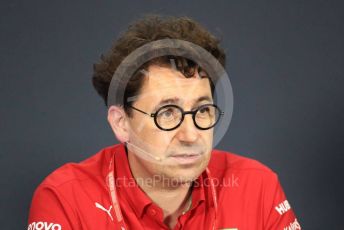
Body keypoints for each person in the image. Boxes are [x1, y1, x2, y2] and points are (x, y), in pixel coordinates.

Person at [28, 15, 301, 230]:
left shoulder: (257, 185)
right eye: (168, 113)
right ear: (122, 123)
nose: (191, 136)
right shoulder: (65, 198)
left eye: (202, 109)